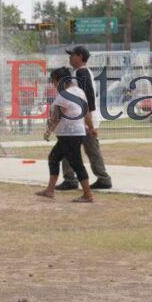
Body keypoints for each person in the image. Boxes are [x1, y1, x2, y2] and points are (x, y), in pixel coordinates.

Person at [36, 67, 95, 202]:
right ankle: (50, 190)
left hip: (69, 135)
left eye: (54, 81)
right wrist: (91, 127)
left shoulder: (64, 94)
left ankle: (88, 195)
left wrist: (48, 131)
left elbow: (57, 116)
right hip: (73, 133)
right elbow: (86, 112)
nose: (54, 85)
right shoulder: (79, 92)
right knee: (53, 158)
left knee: (76, 163)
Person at [58, 45, 112, 191]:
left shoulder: (81, 72)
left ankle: (76, 179)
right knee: (75, 149)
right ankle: (77, 178)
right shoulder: (79, 72)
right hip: (82, 118)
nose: (70, 57)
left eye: (72, 55)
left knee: (81, 149)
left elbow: (87, 97)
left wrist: (88, 121)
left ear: (80, 56)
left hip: (84, 119)